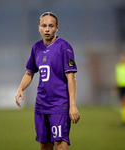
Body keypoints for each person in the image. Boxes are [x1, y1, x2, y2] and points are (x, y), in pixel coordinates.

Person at [15, 12, 80, 150]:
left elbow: (71, 77)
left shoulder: (64, 47)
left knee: (60, 145)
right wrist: (20, 88)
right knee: (44, 145)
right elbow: (29, 73)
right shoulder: (36, 48)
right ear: (39, 28)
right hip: (41, 105)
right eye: (44, 26)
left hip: (59, 104)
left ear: (57, 28)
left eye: (51, 26)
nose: (47, 29)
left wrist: (72, 105)